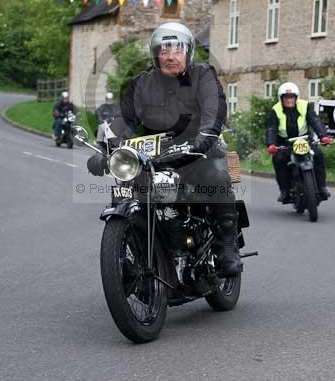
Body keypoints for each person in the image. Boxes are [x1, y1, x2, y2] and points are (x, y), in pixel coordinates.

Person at [86, 22, 242, 276]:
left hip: (196, 152)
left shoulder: (203, 75)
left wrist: (205, 137)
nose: (171, 56)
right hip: (153, 157)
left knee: (215, 177)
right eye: (164, 50)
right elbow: (123, 119)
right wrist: (104, 148)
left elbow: (214, 110)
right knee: (126, 191)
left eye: (177, 50)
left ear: (188, 52)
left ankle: (227, 244)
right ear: (155, 54)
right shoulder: (142, 83)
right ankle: (134, 250)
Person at [265, 82, 332, 203]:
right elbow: (271, 129)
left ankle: (322, 187)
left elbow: (315, 121)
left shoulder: (305, 106)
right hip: (285, 143)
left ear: (296, 97)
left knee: (318, 155)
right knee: (279, 160)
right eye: (286, 97)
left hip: (304, 140)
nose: (289, 100)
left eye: (291, 97)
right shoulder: (275, 110)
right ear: (281, 98)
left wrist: (323, 136)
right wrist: (271, 144)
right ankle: (285, 191)